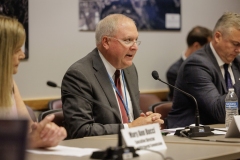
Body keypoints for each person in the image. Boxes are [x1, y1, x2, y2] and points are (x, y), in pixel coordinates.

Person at [61, 14, 164, 138]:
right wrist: (130, 127)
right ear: (106, 42)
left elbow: (131, 115)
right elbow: (81, 129)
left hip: (133, 147)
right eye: (128, 40)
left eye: (136, 40)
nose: (135, 47)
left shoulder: (130, 69)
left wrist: (147, 120)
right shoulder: (79, 75)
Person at [0, 15, 67, 148]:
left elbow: (29, 128)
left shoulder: (9, 83)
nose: (22, 55)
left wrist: (45, 132)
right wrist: (29, 142)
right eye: (17, 49)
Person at [168, 12, 240, 128]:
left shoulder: (237, 62)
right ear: (217, 37)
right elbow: (219, 113)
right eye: (235, 44)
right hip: (191, 138)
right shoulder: (196, 65)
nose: (238, 50)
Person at [166, 26, 212, 100]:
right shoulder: (174, 72)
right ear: (196, 46)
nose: (210, 52)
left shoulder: (210, 66)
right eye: (208, 48)